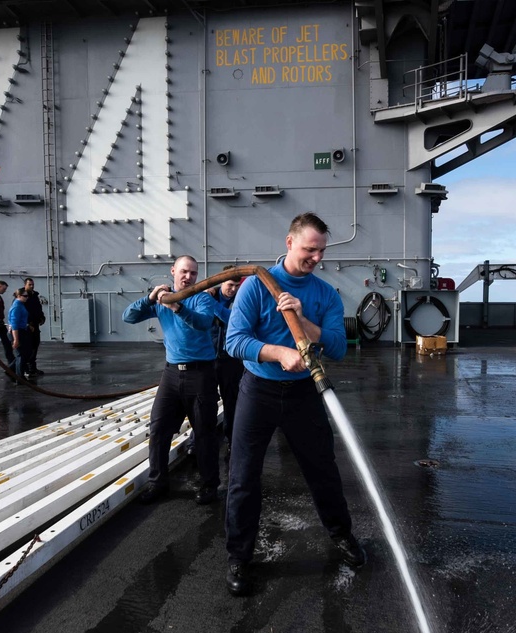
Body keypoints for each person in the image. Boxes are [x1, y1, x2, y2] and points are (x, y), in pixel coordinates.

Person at [223, 212, 366, 596]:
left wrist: (305, 322)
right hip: (258, 390)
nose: (316, 257)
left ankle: (342, 535)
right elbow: (234, 341)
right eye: (309, 249)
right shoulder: (256, 286)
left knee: (323, 470)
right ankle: (239, 556)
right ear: (289, 243)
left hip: (304, 392)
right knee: (243, 476)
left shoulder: (324, 294)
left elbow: (336, 346)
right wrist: (277, 353)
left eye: (321, 251)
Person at [122, 255, 221, 505]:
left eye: (194, 273)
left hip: (201, 374)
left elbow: (202, 323)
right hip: (172, 373)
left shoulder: (201, 298)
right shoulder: (160, 299)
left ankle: (209, 485)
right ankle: (158, 482)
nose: (188, 277)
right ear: (173, 271)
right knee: (158, 429)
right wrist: (150, 298)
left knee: (205, 432)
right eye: (184, 272)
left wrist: (178, 307)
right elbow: (128, 317)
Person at [208, 266, 244, 457]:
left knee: (232, 403)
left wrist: (210, 302)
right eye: (230, 285)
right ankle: (196, 442)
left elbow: (231, 319)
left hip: (231, 360)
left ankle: (231, 441)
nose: (233, 289)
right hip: (207, 358)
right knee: (204, 403)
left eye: (237, 286)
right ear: (222, 281)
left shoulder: (241, 301)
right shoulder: (209, 295)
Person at [22, 278, 46, 376]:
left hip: (35, 325)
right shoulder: (22, 296)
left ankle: (32, 368)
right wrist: (27, 323)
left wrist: (42, 317)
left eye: (32, 284)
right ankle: (25, 369)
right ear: (25, 285)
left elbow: (38, 308)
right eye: (30, 285)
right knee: (27, 348)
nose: (32, 286)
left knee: (34, 346)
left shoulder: (35, 296)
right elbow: (21, 312)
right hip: (27, 326)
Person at [8, 288, 32, 381]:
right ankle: (19, 378)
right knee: (21, 355)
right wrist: (16, 339)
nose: (27, 298)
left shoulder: (20, 305)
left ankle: (10, 369)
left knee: (26, 353)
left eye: (27, 296)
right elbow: (14, 324)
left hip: (22, 331)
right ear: (19, 296)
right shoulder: (17, 307)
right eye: (25, 296)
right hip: (17, 332)